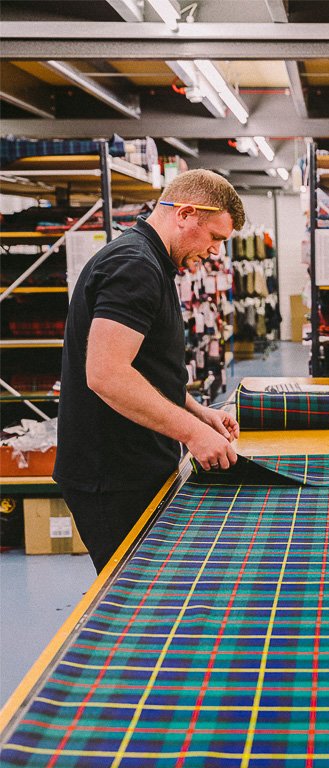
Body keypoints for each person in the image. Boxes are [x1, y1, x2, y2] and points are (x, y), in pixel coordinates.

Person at [55, 169, 245, 572]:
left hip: (131, 464)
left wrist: (197, 411)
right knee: (136, 597)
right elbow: (106, 374)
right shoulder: (134, 265)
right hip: (113, 476)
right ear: (186, 213)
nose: (214, 253)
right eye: (214, 238)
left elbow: (144, 367)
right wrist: (193, 434)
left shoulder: (149, 261)